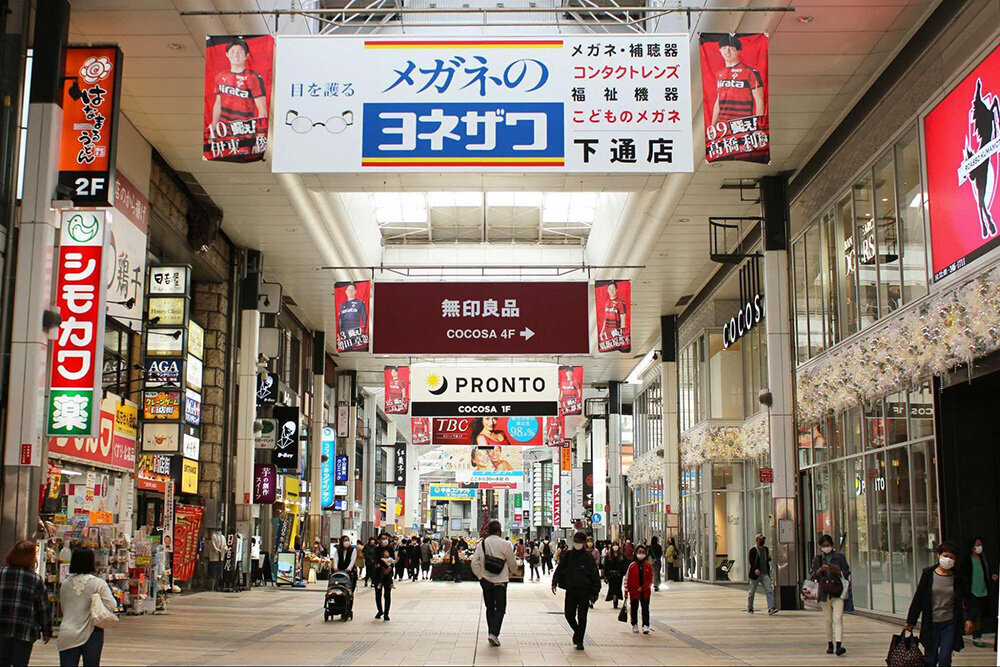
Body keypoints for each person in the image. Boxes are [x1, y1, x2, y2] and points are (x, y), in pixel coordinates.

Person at [905, 542, 970, 666]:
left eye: (951, 557)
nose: (948, 560)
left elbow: (967, 597)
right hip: (931, 623)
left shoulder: (958, 577)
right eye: (945, 556)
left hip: (949, 624)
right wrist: (911, 621)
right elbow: (919, 598)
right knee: (930, 659)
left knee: (945, 657)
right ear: (938, 555)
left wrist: (970, 619)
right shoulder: (928, 574)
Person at [59, 548, 116, 667]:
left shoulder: (65, 584)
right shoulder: (98, 584)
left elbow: (64, 607)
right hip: (92, 632)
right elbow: (112, 605)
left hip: (67, 632)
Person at [0, 540, 51, 666]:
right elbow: (43, 608)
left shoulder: (2, 573)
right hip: (24, 630)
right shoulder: (35, 579)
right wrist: (47, 631)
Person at [471, 520, 519, 647]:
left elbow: (474, 563)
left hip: (486, 581)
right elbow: (512, 563)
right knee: (501, 608)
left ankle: (491, 632)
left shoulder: (482, 544)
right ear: (499, 531)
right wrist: (514, 571)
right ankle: (493, 633)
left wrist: (480, 576)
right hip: (501, 582)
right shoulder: (505, 544)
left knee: (490, 607)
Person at [552, 531, 601, 651]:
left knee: (582, 616)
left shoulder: (588, 557)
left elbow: (594, 574)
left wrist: (595, 591)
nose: (577, 544)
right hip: (571, 589)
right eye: (576, 541)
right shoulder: (568, 555)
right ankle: (578, 632)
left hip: (584, 590)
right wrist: (554, 582)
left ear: (584, 543)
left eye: (580, 542)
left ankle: (580, 640)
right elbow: (560, 568)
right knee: (569, 614)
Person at [210, 37, 268, 128]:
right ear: (227, 54)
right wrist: (213, 128)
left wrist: (261, 133)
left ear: (246, 55)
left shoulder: (253, 77)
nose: (236, 55)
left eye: (240, 51)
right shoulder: (220, 76)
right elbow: (218, 104)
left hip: (245, 129)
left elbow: (262, 109)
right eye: (232, 51)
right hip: (224, 130)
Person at [709, 33, 765, 125]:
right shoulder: (720, 74)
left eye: (731, 48)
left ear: (738, 51)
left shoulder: (750, 72)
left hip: (744, 124)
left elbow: (759, 100)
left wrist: (759, 125)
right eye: (724, 48)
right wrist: (712, 126)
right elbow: (718, 102)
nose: (727, 51)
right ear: (720, 50)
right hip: (723, 126)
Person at [810, 534, 851, 656]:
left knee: (838, 618)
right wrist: (821, 570)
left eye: (828, 545)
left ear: (832, 545)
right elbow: (813, 574)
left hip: (837, 591)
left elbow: (846, 572)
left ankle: (839, 645)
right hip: (824, 592)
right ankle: (830, 644)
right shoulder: (818, 559)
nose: (826, 548)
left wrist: (838, 571)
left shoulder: (839, 557)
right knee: (828, 620)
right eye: (823, 546)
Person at [961, 536, 997, 648]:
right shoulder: (967, 560)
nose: (980, 547)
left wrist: (992, 576)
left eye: (980, 544)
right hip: (972, 591)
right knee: (974, 614)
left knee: (980, 614)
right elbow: (964, 575)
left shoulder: (983, 559)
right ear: (972, 547)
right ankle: (976, 635)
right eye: (977, 545)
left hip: (983, 590)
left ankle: (977, 634)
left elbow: (987, 572)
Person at [625, 545, 654, 634]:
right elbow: (627, 579)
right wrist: (626, 591)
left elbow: (650, 579)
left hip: (645, 591)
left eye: (643, 552)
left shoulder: (648, 566)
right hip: (634, 591)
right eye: (639, 552)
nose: (641, 554)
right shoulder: (632, 566)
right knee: (634, 607)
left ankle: (645, 625)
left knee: (645, 608)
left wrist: (643, 587)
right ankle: (634, 624)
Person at [748, 533, 777, 615]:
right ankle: (750, 607)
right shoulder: (753, 550)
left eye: (763, 540)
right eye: (761, 540)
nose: (762, 541)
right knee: (752, 592)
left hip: (764, 573)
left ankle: (771, 608)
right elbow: (751, 562)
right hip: (756, 574)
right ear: (757, 541)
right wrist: (755, 569)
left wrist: (768, 559)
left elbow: (765, 560)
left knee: (769, 590)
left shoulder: (766, 549)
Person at [372, 536, 394, 621]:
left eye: (386, 539)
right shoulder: (377, 549)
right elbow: (377, 560)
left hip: (388, 576)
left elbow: (392, 560)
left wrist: (390, 569)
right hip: (378, 575)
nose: (384, 540)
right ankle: (380, 610)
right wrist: (386, 567)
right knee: (378, 593)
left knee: (387, 594)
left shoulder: (390, 549)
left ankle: (386, 613)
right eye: (383, 539)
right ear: (379, 540)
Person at [603, 542, 625, 609]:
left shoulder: (621, 556)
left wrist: (622, 573)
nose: (615, 547)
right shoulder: (608, 556)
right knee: (612, 588)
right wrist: (606, 575)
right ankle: (614, 598)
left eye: (616, 545)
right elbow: (606, 566)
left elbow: (624, 565)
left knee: (618, 587)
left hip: (619, 575)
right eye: (614, 545)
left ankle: (616, 598)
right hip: (611, 575)